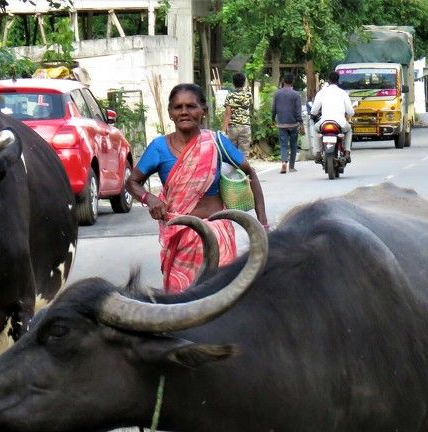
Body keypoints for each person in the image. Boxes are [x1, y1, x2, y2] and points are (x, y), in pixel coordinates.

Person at [126, 83, 269, 294]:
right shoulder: (159, 147)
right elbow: (131, 183)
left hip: (217, 235)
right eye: (178, 107)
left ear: (204, 112)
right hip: (179, 236)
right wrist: (149, 198)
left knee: (221, 298)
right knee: (180, 303)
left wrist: (263, 226)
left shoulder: (216, 142)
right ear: (170, 113)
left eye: (191, 106)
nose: (184, 112)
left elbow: (251, 174)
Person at [309, 70, 354, 163]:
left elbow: (314, 110)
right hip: (340, 123)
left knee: (315, 129)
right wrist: (349, 114)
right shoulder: (343, 93)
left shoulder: (321, 92)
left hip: (324, 122)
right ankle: (347, 152)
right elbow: (350, 111)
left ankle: (318, 152)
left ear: (328, 81)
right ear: (338, 81)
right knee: (349, 130)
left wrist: (313, 115)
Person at [271, 72, 304, 173]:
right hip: (293, 124)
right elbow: (298, 112)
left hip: (281, 124)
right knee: (293, 146)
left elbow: (274, 109)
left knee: (283, 145)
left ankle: (284, 162)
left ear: (283, 81)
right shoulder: (296, 95)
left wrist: (273, 118)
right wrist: (301, 124)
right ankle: (291, 167)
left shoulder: (277, 93)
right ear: (293, 82)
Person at [222, 72, 252, 154]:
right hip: (245, 126)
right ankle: (243, 166)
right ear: (244, 82)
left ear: (233, 82)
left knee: (232, 153)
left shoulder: (230, 96)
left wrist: (223, 131)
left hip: (233, 127)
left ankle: (233, 167)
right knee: (244, 153)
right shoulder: (248, 95)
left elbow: (228, 114)